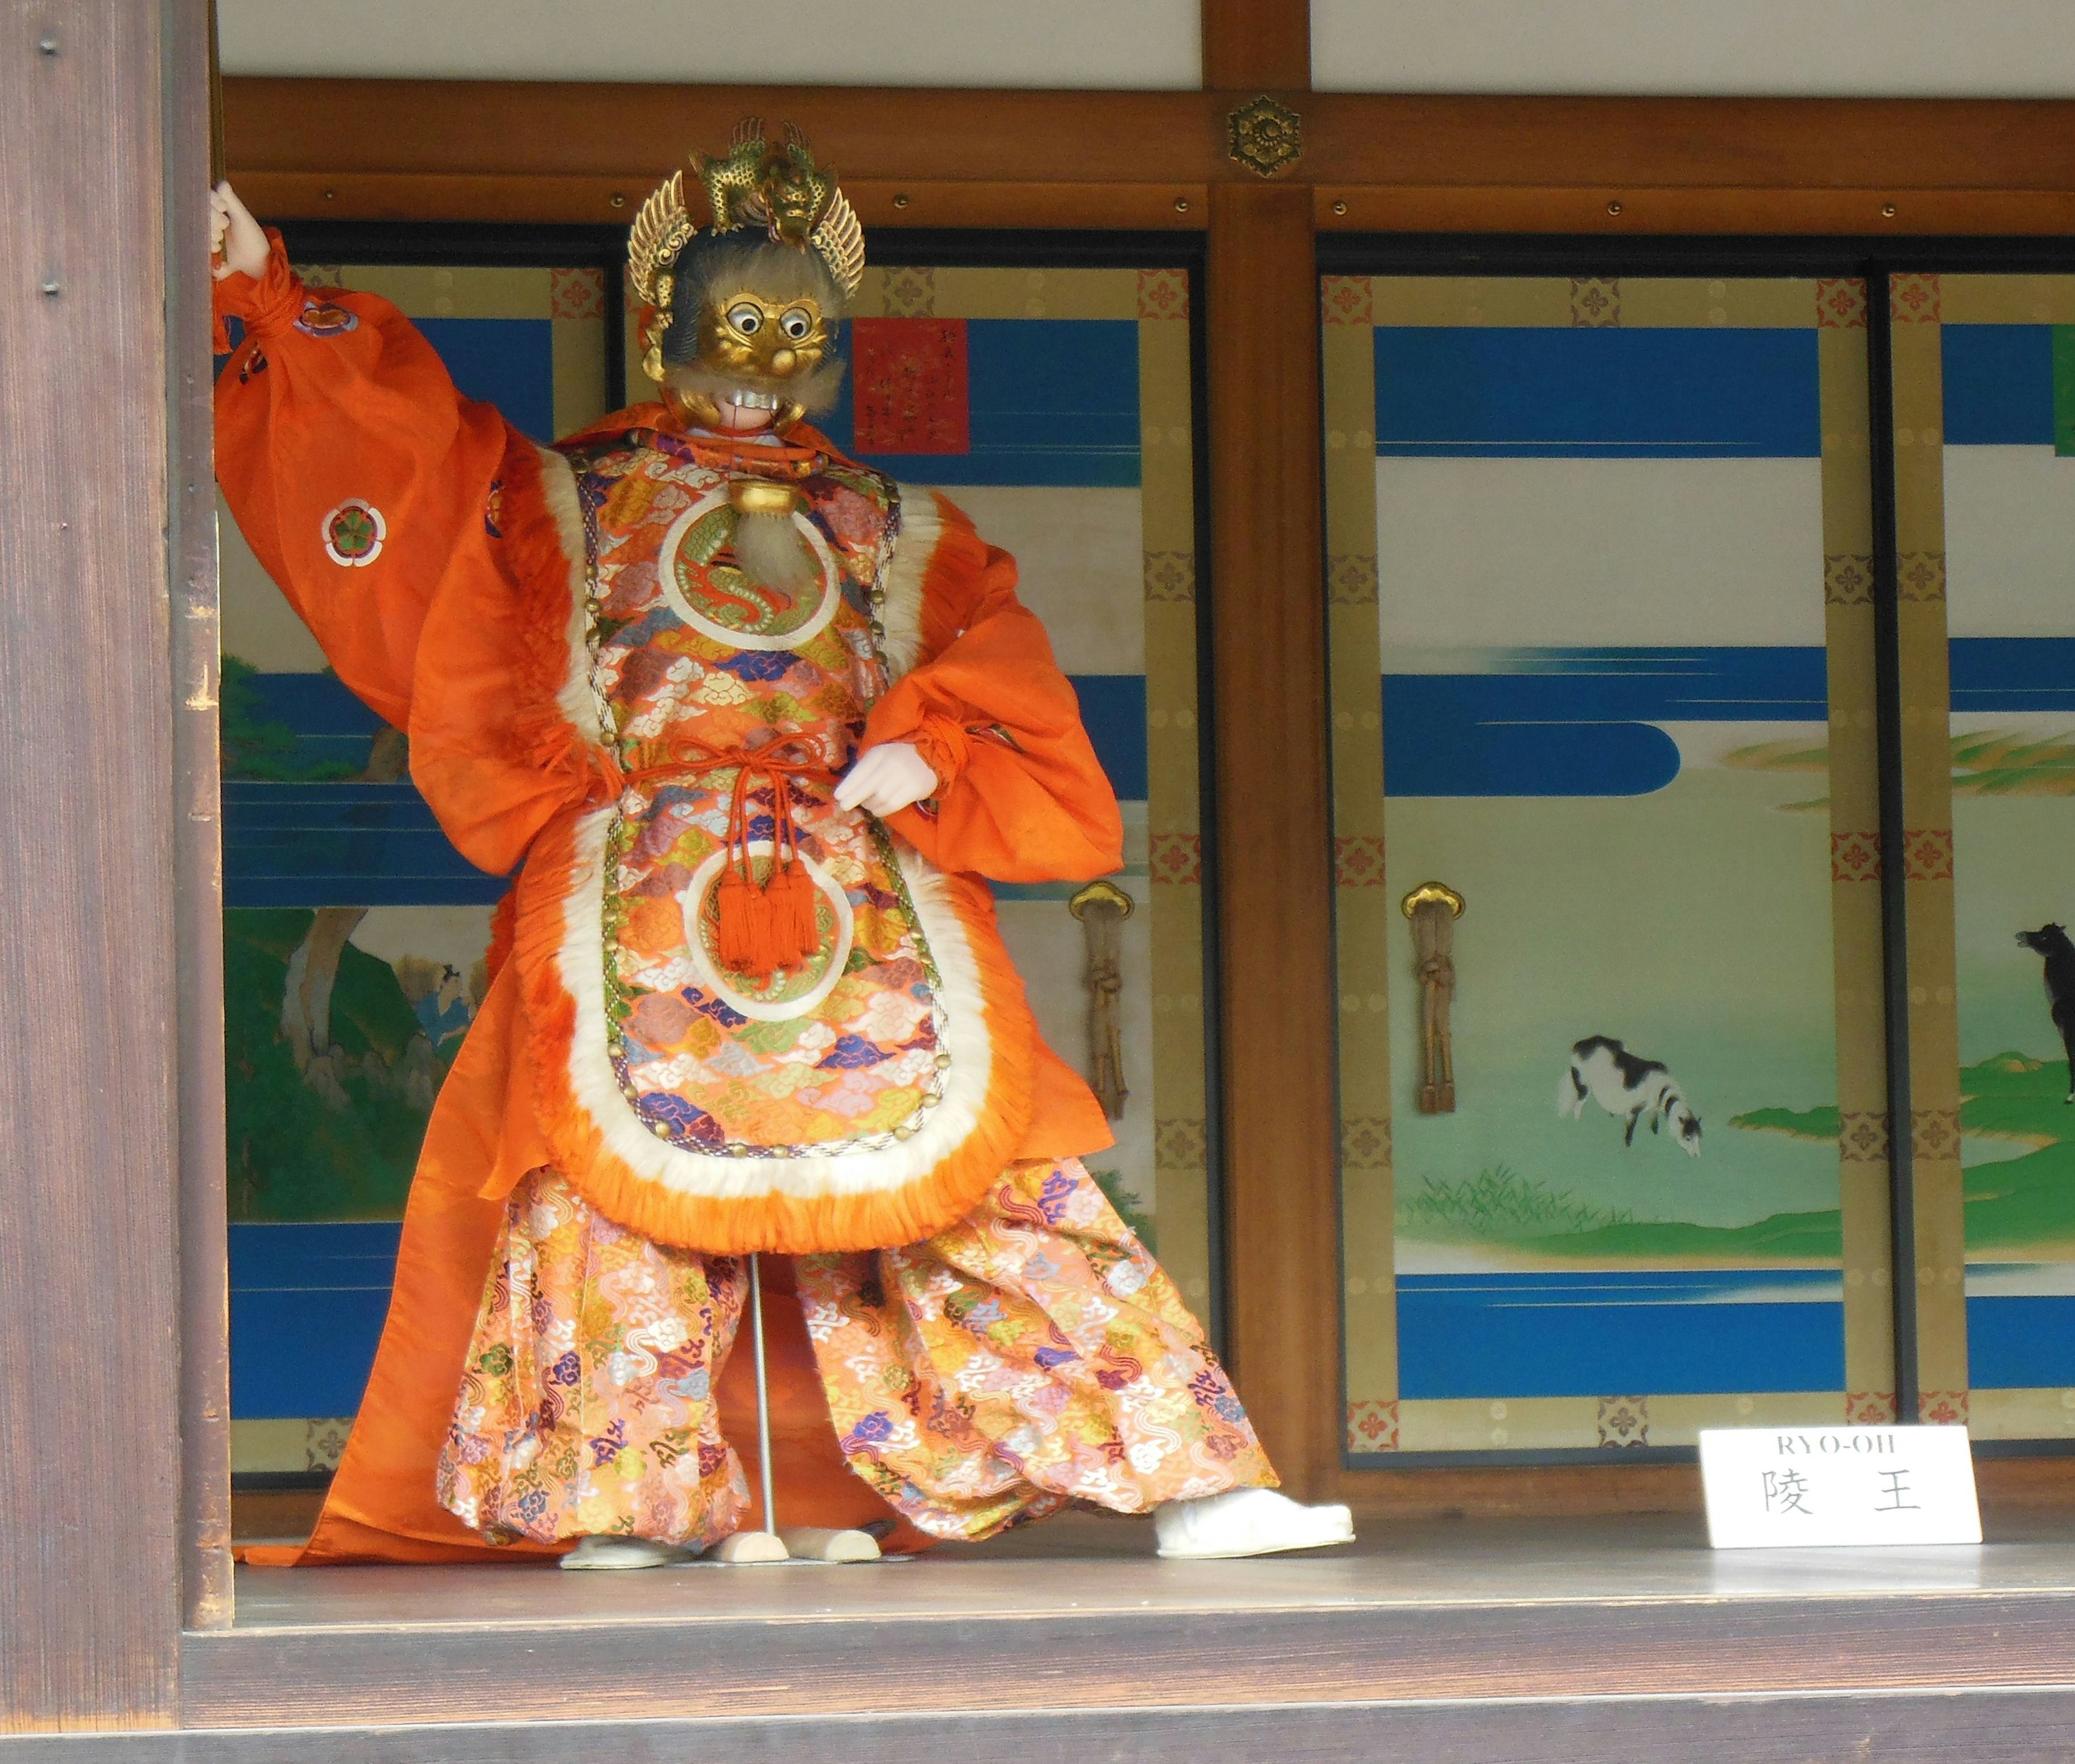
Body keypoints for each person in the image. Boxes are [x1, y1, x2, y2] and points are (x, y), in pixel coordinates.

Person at [210, 121, 1353, 1569]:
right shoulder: (562, 498)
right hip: (635, 882)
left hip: (858, 886)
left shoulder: (893, 522)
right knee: (614, 1185)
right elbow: (402, 462)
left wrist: (926, 744)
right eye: (733, 337)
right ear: (668, 331)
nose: (758, 373)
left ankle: (1188, 1477)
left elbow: (995, 672)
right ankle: (619, 1500)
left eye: (793, 343)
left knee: (987, 1181)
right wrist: (266, 295)